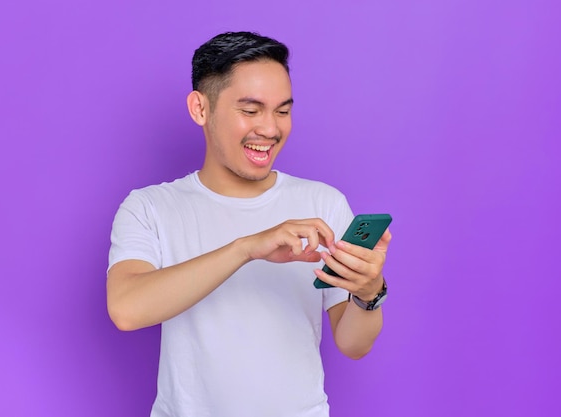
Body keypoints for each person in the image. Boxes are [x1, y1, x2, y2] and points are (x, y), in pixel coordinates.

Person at [107, 31, 392, 417]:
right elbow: (127, 309)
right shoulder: (151, 207)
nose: (271, 129)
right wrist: (246, 248)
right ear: (200, 108)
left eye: (283, 110)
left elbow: (353, 344)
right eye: (250, 110)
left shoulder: (322, 203)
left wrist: (368, 293)